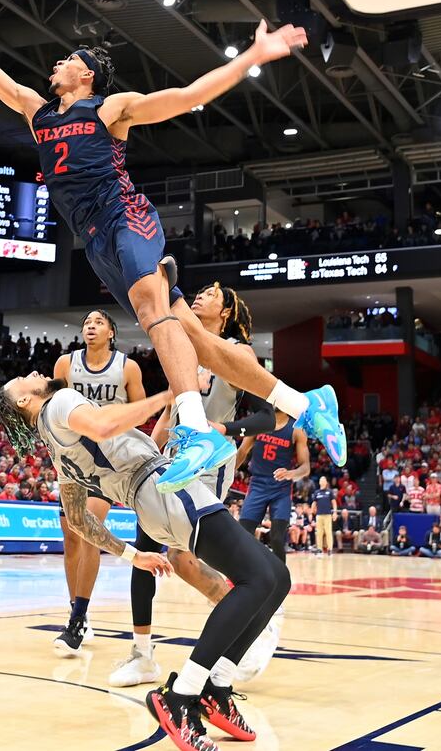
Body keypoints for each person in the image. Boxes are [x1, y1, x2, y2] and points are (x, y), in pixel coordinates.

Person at [0, 0, 346, 487]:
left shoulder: (112, 109)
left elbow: (187, 97)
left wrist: (253, 56)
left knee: (154, 315)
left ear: (85, 73)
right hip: (94, 241)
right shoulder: (38, 112)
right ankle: (304, 403)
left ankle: (196, 431)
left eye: (66, 59)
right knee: (197, 341)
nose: (55, 65)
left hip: (125, 217)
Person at [0, 373, 289, 751]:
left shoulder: (57, 452)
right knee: (259, 579)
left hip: (156, 499)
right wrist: (175, 392)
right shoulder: (60, 402)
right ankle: (182, 695)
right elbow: (105, 425)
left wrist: (135, 555)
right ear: (23, 401)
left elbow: (80, 521)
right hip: (165, 494)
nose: (31, 374)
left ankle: (218, 686)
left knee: (277, 578)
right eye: (22, 379)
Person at [112, 284, 285, 688]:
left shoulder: (238, 352)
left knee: (186, 555)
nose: (200, 296)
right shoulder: (181, 344)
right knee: (149, 549)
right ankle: (142, 653)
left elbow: (269, 415)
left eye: (210, 294)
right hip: (170, 458)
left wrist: (227, 428)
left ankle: (254, 619)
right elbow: (172, 408)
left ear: (226, 312)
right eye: (201, 292)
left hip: (209, 461)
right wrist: (146, 455)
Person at [50, 310, 146, 654]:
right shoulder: (65, 364)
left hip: (107, 462)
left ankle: (76, 621)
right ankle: (77, 612)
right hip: (71, 459)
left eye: (98, 322)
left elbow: (141, 411)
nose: (90, 327)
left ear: (111, 332)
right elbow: (54, 410)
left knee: (89, 531)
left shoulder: (127, 368)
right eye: (87, 323)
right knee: (71, 540)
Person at [236, 420, 310, 564]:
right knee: (244, 533)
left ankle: (281, 579)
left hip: (281, 488)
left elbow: (305, 467)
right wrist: (229, 474)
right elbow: (242, 452)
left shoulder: (296, 429)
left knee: (277, 538)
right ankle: (240, 576)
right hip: (257, 485)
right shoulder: (258, 422)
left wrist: (291, 473)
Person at [312, 475, 337, 554]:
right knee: (319, 532)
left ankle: (330, 549)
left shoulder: (329, 492)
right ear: (319, 482)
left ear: (326, 482)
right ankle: (319, 548)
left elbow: (334, 502)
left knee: (328, 532)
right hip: (319, 515)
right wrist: (312, 510)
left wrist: (335, 512)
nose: (322, 481)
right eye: (321, 480)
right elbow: (314, 503)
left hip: (327, 515)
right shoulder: (317, 492)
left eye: (323, 480)